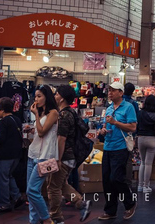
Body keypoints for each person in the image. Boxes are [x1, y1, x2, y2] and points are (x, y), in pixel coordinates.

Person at [49, 84, 92, 223]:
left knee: (53, 187)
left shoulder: (64, 115)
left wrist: (58, 159)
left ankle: (56, 217)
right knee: (61, 185)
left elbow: (61, 139)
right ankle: (81, 203)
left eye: (56, 94)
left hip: (64, 156)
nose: (54, 96)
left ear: (61, 98)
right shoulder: (71, 112)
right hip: (71, 156)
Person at [97, 81, 137, 221]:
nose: (110, 93)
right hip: (108, 147)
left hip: (121, 148)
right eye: (109, 90)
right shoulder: (108, 108)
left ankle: (130, 203)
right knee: (107, 180)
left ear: (121, 93)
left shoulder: (128, 107)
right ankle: (110, 210)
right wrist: (103, 130)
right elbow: (105, 125)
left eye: (113, 90)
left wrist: (116, 123)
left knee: (116, 178)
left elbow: (132, 127)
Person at [26, 85, 59, 224]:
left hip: (47, 157)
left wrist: (36, 116)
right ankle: (33, 221)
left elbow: (42, 131)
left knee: (31, 191)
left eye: (39, 96)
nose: (37, 99)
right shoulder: (42, 114)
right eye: (35, 96)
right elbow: (39, 133)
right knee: (33, 194)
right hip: (33, 154)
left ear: (47, 97)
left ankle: (46, 219)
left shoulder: (53, 113)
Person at [0, 97, 24, 213]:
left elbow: (1, 139)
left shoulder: (3, 121)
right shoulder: (17, 119)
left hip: (5, 154)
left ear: (1, 109)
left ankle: (4, 204)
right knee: (9, 176)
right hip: (17, 154)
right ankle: (17, 196)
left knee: (2, 179)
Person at [136, 95, 155, 193]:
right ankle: (146, 186)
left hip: (141, 138)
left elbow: (136, 126)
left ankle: (140, 185)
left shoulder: (140, 113)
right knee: (148, 163)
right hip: (152, 139)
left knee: (142, 162)